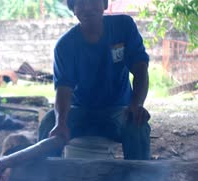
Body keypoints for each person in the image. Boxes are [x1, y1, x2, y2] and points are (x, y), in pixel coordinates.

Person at [38, 0, 151, 160]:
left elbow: (140, 68)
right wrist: (61, 122)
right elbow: (63, 90)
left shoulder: (123, 26)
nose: (87, 8)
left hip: (119, 110)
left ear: (104, 4)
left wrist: (136, 105)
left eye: (93, 1)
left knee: (137, 123)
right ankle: (45, 179)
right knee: (49, 122)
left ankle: (142, 180)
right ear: (73, 9)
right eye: (80, 3)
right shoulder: (65, 46)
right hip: (81, 111)